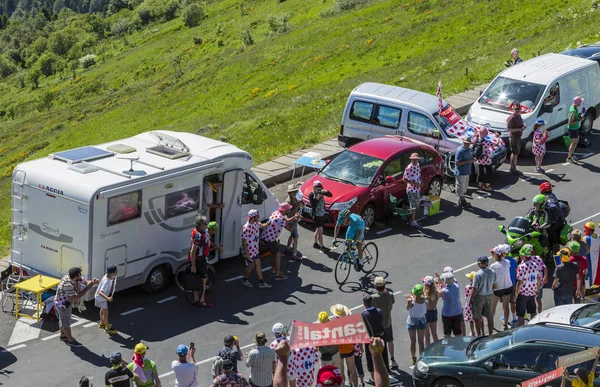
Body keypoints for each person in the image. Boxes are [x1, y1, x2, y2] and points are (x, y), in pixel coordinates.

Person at [55, 267, 98, 347]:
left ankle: (63, 336)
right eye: (80, 274)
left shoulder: (74, 278)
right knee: (66, 323)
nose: (81, 275)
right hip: (63, 305)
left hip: (66, 303)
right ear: (75, 276)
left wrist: (93, 282)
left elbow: (85, 282)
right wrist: (88, 287)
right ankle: (70, 340)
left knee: (63, 319)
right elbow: (77, 296)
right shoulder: (67, 284)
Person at [261, 203, 299, 281]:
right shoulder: (280, 218)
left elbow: (286, 220)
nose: (290, 210)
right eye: (288, 209)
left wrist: (294, 217)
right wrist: (297, 220)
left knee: (273, 254)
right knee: (278, 254)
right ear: (285, 210)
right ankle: (277, 274)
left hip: (266, 237)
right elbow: (290, 229)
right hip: (270, 240)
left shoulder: (276, 213)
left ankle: (273, 270)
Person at [370, 276, 397, 369]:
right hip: (388, 321)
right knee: (390, 341)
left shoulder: (373, 297)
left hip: (378, 324)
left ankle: (381, 361)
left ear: (375, 287)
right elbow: (392, 304)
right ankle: (392, 359)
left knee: (379, 343)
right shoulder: (390, 295)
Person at [361, 295, 390, 381]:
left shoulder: (364, 314)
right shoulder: (379, 311)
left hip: (370, 339)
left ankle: (373, 378)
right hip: (381, 336)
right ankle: (385, 373)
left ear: (364, 304)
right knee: (383, 354)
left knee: (370, 357)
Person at [242, 209, 272, 289]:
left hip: (255, 250)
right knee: (251, 266)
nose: (259, 217)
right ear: (253, 217)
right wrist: (247, 253)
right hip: (249, 251)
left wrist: (268, 223)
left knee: (258, 264)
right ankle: (245, 280)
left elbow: (262, 225)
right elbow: (244, 242)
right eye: (257, 216)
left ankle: (261, 282)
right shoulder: (246, 228)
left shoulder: (256, 223)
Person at [330, 304, 358, 387]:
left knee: (341, 370)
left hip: (339, 349)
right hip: (349, 348)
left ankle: (343, 385)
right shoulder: (349, 322)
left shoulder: (334, 323)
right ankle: (356, 385)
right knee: (352, 369)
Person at [189, 215, 213, 306]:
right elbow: (193, 251)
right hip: (199, 259)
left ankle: (196, 298)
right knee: (203, 279)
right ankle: (202, 300)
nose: (207, 225)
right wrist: (193, 266)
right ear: (200, 225)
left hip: (202, 258)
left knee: (196, 277)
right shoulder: (198, 235)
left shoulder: (202, 231)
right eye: (205, 224)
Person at [515, 245, 542, 326]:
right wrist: (537, 290)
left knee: (521, 314)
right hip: (532, 292)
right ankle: (533, 326)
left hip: (523, 293)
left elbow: (520, 282)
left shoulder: (521, 267)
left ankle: (520, 329)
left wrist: (516, 294)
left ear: (523, 256)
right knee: (533, 311)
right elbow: (538, 279)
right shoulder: (535, 264)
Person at [471, 256, 497, 336]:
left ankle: (479, 334)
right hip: (489, 295)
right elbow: (495, 286)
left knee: (477, 317)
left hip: (479, 297)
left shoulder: (477, 274)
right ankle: (490, 334)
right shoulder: (492, 272)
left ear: (480, 264)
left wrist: (470, 299)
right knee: (490, 316)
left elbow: (474, 289)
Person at [490, 247, 513, 331]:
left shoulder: (493, 266)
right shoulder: (507, 262)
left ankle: (491, 323)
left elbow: (492, 278)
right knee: (506, 306)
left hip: (498, 288)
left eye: (493, 253)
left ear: (496, 255)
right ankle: (505, 324)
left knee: (493, 306)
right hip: (508, 286)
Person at [436, 272, 463, 338]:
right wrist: (440, 280)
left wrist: (438, 285)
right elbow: (447, 286)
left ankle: (448, 346)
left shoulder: (443, 291)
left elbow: (438, 293)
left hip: (447, 313)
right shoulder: (457, 286)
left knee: (447, 333)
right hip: (457, 312)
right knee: (458, 332)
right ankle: (459, 345)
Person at [308, 180, 332, 252]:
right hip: (316, 215)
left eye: (320, 189)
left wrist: (325, 191)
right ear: (314, 188)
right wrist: (318, 198)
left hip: (322, 213)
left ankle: (315, 243)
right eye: (317, 189)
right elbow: (313, 205)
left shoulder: (321, 192)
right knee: (321, 231)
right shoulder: (311, 194)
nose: (319, 190)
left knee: (318, 229)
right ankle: (322, 246)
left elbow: (330, 195)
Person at [270, 322, 296, 387]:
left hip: (280, 369)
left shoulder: (272, 345)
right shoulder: (289, 340)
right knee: (293, 385)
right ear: (282, 331)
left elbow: (272, 360)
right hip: (291, 367)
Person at [405, 284, 426, 365]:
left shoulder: (411, 301)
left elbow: (407, 308)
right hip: (421, 320)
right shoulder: (425, 300)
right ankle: (421, 358)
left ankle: (413, 358)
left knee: (412, 341)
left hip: (412, 321)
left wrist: (411, 297)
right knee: (421, 342)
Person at [95, 264, 118, 335]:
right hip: (102, 298)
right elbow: (100, 292)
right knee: (106, 313)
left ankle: (102, 323)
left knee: (102, 310)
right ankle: (108, 328)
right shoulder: (106, 281)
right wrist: (108, 298)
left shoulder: (107, 276)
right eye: (116, 271)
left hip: (100, 298)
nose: (117, 271)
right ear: (112, 273)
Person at [472, 127, 496, 191]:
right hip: (487, 159)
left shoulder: (476, 139)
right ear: (486, 134)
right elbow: (496, 144)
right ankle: (487, 186)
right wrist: (498, 137)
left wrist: (474, 134)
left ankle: (480, 185)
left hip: (479, 159)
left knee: (480, 172)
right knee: (489, 172)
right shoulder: (487, 142)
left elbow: (472, 142)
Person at [285, 184, 304, 260]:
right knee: (295, 237)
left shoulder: (295, 199)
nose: (295, 193)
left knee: (292, 235)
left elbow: (297, 208)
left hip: (294, 219)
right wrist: (298, 206)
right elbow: (289, 212)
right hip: (291, 220)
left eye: (295, 191)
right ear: (290, 193)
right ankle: (294, 253)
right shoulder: (288, 201)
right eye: (293, 192)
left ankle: (288, 247)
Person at [403, 152, 422, 227]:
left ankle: (412, 219)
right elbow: (404, 179)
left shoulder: (418, 165)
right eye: (413, 160)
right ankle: (412, 221)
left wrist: (421, 182)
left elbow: (419, 175)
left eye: (416, 159)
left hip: (417, 189)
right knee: (413, 205)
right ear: (411, 160)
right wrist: (414, 183)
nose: (415, 161)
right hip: (412, 190)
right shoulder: (409, 168)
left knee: (416, 204)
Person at [506, 102, 526, 174]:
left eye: (518, 109)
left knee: (516, 153)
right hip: (514, 137)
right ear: (513, 109)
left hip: (518, 137)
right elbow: (509, 129)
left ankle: (513, 167)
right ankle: (513, 168)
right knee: (514, 153)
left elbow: (521, 123)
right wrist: (519, 129)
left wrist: (523, 125)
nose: (517, 110)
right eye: (515, 109)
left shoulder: (519, 116)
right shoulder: (511, 118)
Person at [454, 135, 473, 208]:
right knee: (460, 186)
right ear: (463, 142)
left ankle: (461, 199)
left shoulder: (469, 149)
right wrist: (468, 161)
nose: (467, 144)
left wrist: (472, 159)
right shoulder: (460, 150)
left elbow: (470, 157)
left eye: (468, 143)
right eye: (466, 143)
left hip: (467, 171)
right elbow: (457, 163)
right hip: (461, 172)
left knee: (465, 186)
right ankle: (461, 199)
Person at [567, 96, 586, 163]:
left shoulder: (575, 108)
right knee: (573, 144)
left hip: (576, 128)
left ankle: (572, 154)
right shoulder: (573, 111)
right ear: (578, 103)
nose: (581, 103)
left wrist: (579, 115)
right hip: (572, 129)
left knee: (576, 142)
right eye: (580, 102)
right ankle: (569, 158)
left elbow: (575, 118)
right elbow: (570, 122)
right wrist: (579, 119)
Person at [422, 276, 439, 346]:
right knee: (434, 333)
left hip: (427, 314)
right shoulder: (436, 293)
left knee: (427, 335)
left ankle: (428, 350)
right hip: (434, 311)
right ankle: (438, 348)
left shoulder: (425, 296)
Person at [584, 222, 600, 286]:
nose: (584, 230)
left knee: (590, 275)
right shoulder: (598, 236)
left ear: (589, 230)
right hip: (597, 257)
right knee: (596, 273)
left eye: (585, 229)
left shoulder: (587, 238)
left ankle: (592, 288)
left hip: (589, 258)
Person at [463, 271, 476, 336]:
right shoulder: (478, 286)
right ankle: (481, 331)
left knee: (471, 320)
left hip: (469, 305)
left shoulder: (467, 287)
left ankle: (472, 331)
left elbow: (466, 295)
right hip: (477, 304)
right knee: (479, 318)